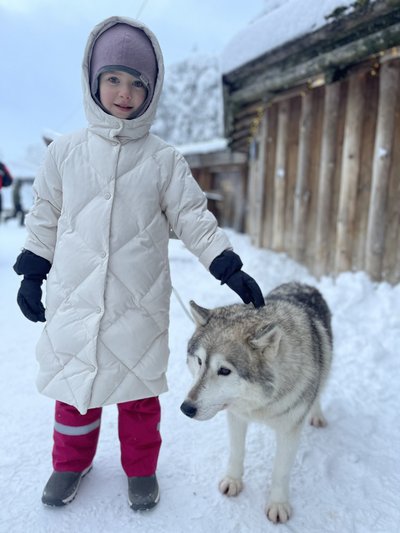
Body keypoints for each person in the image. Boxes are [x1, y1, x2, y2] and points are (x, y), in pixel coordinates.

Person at [13, 16, 264, 512]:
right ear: (93, 81)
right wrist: (32, 272)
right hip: (76, 296)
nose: (124, 92)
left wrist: (226, 265)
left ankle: (141, 468)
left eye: (137, 83)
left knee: (138, 395)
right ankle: (71, 461)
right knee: (74, 387)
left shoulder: (163, 160)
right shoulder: (64, 154)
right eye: (114, 79)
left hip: (138, 300)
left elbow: (193, 216)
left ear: (151, 90)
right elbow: (44, 214)